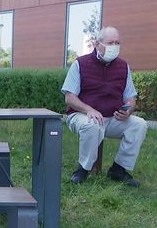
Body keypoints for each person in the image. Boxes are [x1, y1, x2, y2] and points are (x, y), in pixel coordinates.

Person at [62, 26, 147, 187]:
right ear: (97, 43)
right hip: (82, 115)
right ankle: (83, 169)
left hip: (113, 117)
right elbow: (69, 98)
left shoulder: (123, 67)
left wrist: (128, 110)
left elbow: (131, 98)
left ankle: (119, 169)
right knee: (92, 124)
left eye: (117, 43)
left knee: (139, 124)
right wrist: (89, 110)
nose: (114, 46)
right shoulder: (80, 64)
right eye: (110, 42)